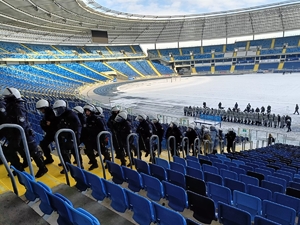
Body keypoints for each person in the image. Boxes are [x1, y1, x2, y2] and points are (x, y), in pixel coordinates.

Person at [3, 88, 48, 178]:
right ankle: (20, 167)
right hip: (17, 134)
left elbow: (21, 124)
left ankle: (42, 168)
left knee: (34, 151)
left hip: (24, 134)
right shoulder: (11, 106)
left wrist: (17, 139)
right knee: (17, 151)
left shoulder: (18, 107)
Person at [53, 99, 82, 174]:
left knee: (75, 151)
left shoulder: (72, 115)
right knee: (64, 151)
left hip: (73, 136)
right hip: (65, 135)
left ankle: (80, 166)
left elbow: (78, 126)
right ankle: (67, 166)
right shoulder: (61, 115)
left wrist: (75, 138)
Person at [83, 104, 110, 170]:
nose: (87, 112)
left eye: (88, 111)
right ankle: (94, 163)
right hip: (90, 138)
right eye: (86, 111)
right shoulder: (87, 119)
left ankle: (109, 162)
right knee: (88, 150)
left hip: (98, 138)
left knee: (102, 150)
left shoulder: (97, 119)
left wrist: (103, 139)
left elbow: (103, 129)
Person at [36, 99, 59, 165]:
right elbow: (44, 123)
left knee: (62, 147)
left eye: (41, 109)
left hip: (55, 132)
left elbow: (55, 123)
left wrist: (49, 123)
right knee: (43, 144)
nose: (41, 111)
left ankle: (66, 163)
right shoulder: (47, 113)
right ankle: (49, 159)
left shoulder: (53, 112)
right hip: (50, 133)